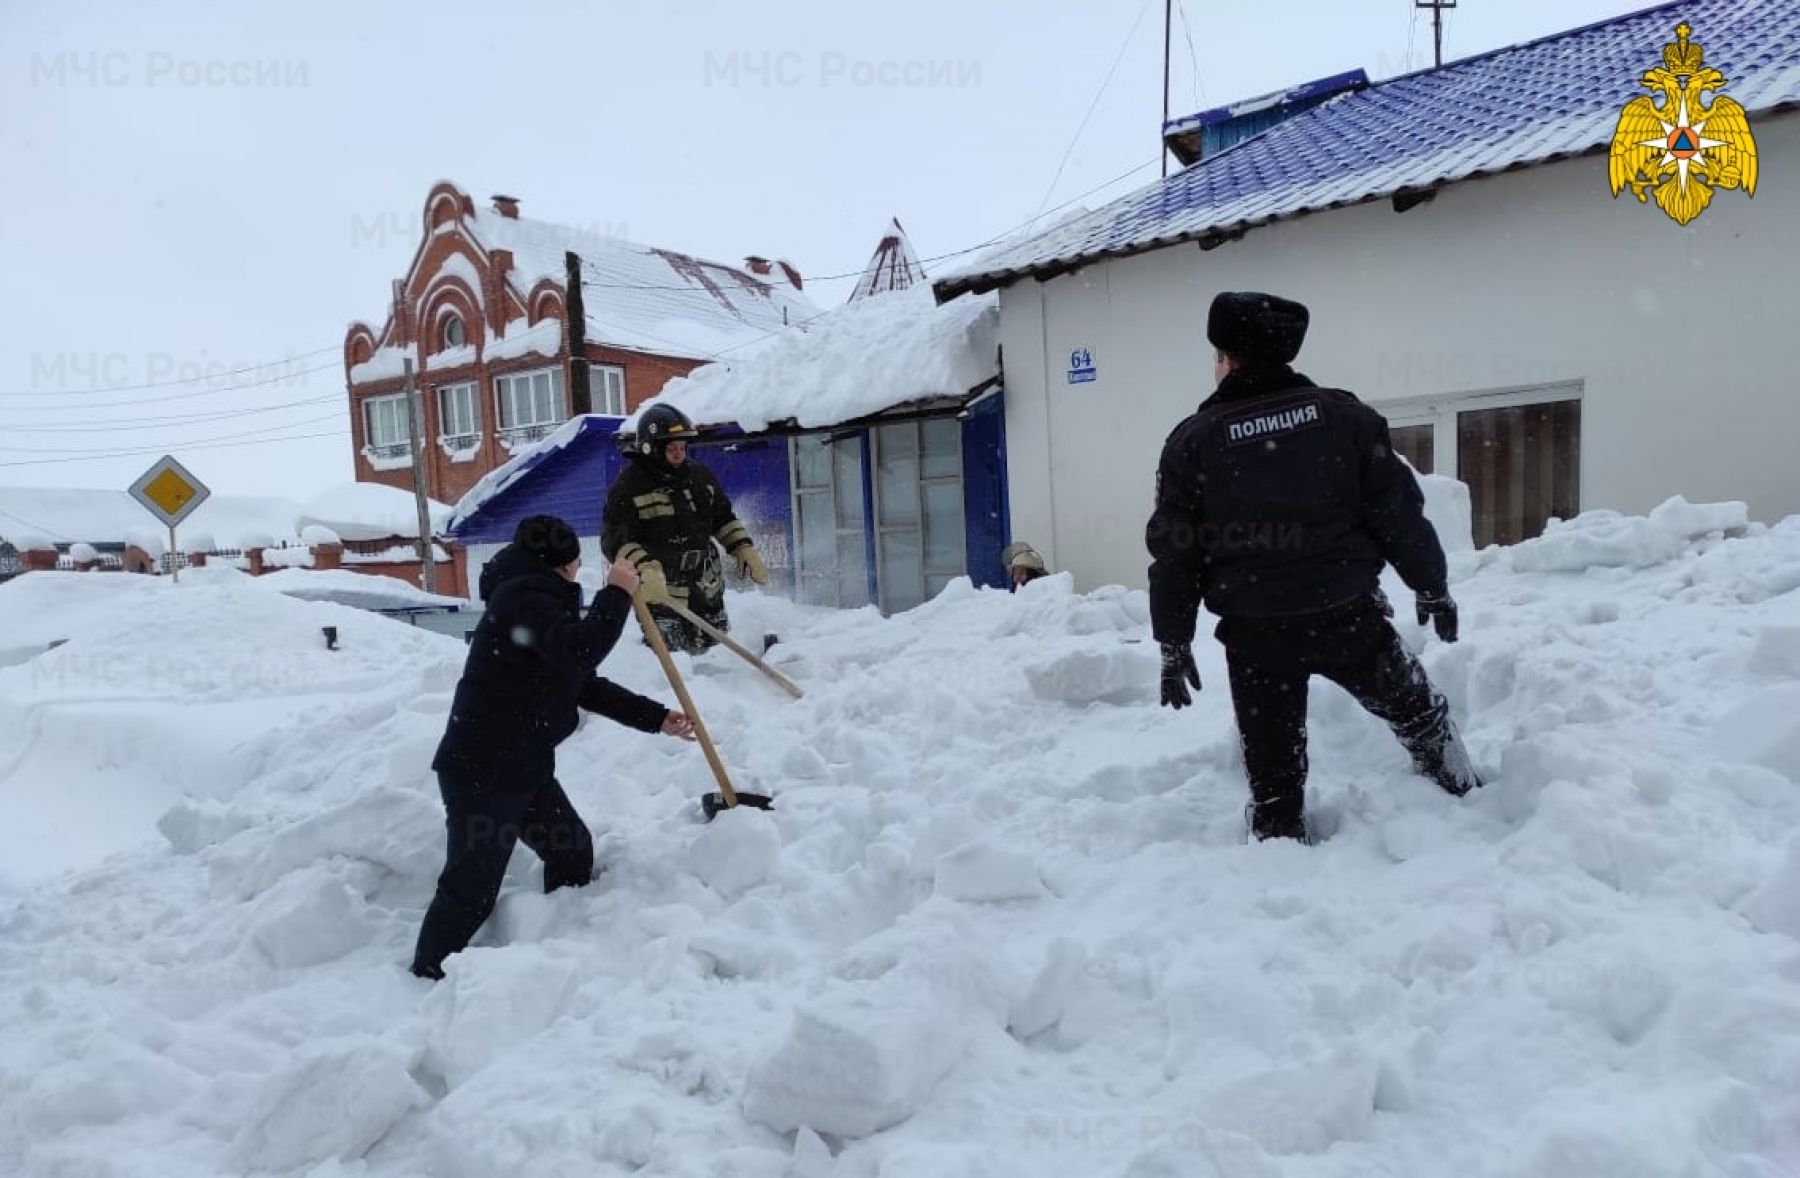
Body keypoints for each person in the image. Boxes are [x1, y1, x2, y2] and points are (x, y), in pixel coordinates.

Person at [1144, 290, 1481, 843]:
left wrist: (1173, 642)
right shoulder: (1345, 418)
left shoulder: (1193, 443)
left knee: (1274, 781)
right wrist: (1431, 585)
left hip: (1257, 642)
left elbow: (1176, 553)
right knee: (1421, 719)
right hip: (1349, 617)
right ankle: (1466, 798)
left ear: (1225, 357)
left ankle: (1280, 864)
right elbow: (1399, 514)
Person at [410, 513, 695, 979]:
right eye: (574, 563)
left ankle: (555, 942)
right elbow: (583, 649)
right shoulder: (524, 599)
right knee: (472, 885)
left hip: (523, 767)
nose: (576, 571)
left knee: (571, 852)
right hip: (483, 771)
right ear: (559, 565)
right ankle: (428, 975)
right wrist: (618, 592)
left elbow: (582, 681)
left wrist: (657, 718)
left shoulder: (534, 603)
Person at [602, 403, 770, 655]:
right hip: (661, 590)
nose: (679, 454)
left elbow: (722, 517)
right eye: (671, 449)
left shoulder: (699, 476)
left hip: (706, 582)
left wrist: (742, 548)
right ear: (651, 448)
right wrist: (644, 567)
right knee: (672, 659)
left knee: (716, 657)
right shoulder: (629, 487)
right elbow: (615, 539)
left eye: (682, 447)